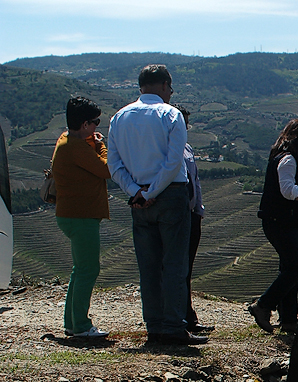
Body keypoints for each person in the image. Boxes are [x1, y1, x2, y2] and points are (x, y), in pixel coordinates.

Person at [108, 64, 205, 345]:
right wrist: (154, 191)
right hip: (171, 194)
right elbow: (174, 161)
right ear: (164, 85)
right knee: (174, 263)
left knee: (148, 266)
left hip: (138, 198)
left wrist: (136, 191)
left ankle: (154, 326)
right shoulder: (171, 114)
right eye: (170, 88)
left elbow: (114, 164)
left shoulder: (119, 117)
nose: (171, 93)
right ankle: (174, 327)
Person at [248, 119, 298, 333]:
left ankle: (289, 319)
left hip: (286, 222)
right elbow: (287, 189)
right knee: (297, 268)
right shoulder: (288, 159)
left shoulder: (291, 159)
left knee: (289, 268)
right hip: (282, 223)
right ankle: (263, 305)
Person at [51, 96, 110, 339]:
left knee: (80, 270)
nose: (96, 127)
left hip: (72, 214)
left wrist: (92, 143)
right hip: (81, 216)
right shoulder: (76, 147)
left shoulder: (66, 140)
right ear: (85, 124)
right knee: (88, 270)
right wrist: (101, 145)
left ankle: (72, 323)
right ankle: (82, 326)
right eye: (95, 122)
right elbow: (106, 169)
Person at [175, 105, 213, 333]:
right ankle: (181, 317)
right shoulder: (167, 149)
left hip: (192, 214)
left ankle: (187, 316)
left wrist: (198, 210)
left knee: (186, 268)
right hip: (178, 215)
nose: (185, 128)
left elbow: (195, 181)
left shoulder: (187, 148)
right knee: (177, 268)